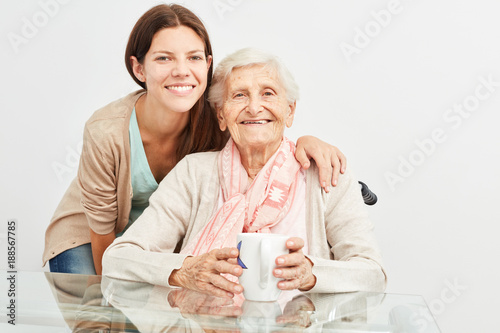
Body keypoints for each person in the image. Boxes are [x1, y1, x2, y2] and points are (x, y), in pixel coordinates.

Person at [42, 4, 347, 275]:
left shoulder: (221, 117)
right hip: (93, 235)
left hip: (162, 239)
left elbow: (264, 121)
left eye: (194, 58)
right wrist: (108, 305)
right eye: (163, 58)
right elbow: (106, 243)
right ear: (139, 68)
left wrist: (306, 141)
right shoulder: (105, 130)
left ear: (207, 63)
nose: (181, 71)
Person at [102, 48, 387, 298]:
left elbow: (373, 273)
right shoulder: (193, 172)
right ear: (222, 115)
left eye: (268, 93)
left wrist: (312, 273)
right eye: (239, 95)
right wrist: (184, 270)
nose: (253, 107)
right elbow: (118, 259)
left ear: (289, 111)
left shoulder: (326, 175)